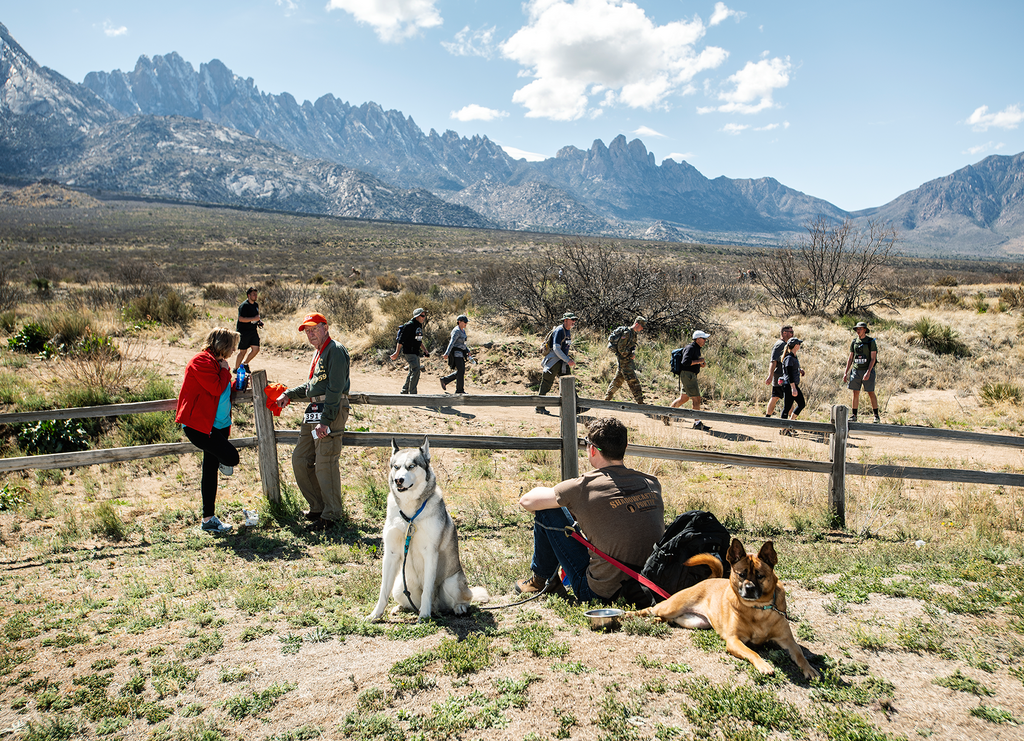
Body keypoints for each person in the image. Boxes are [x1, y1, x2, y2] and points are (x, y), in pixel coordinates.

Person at [515, 417, 664, 603]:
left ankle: (541, 581)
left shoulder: (583, 487)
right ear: (625, 447)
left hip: (600, 592)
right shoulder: (651, 482)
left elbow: (527, 501)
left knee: (548, 510)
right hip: (647, 583)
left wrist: (562, 495)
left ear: (592, 449)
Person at [275, 312, 351, 532]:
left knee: (325, 463)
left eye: (314, 329)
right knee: (301, 459)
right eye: (307, 331)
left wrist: (326, 421)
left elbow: (335, 389)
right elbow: (312, 387)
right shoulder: (320, 352)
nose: (310, 334)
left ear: (325, 327)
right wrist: (289, 394)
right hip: (314, 410)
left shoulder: (335, 350)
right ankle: (318, 507)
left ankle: (332, 515)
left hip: (329, 410)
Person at [176, 328, 241, 534]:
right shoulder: (201, 361)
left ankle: (208, 519)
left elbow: (221, 388)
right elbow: (214, 387)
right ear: (223, 345)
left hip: (219, 425)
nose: (234, 350)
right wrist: (225, 370)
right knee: (231, 458)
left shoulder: (216, 364)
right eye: (232, 346)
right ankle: (223, 461)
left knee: (210, 470)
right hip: (201, 426)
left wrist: (235, 383)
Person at [536, 311, 579, 415]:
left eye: (574, 320)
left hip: (562, 362)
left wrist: (566, 360)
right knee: (546, 384)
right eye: (572, 320)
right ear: (565, 320)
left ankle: (576, 407)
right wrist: (568, 360)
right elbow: (556, 348)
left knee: (569, 383)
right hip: (554, 362)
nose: (574, 322)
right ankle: (539, 407)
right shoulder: (560, 330)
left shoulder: (567, 331)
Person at [670, 330, 710, 430]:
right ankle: (697, 423)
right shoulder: (690, 347)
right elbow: (685, 362)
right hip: (688, 376)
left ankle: (666, 414)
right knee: (696, 399)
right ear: (698, 339)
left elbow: (691, 362)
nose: (705, 340)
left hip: (688, 375)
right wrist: (699, 361)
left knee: (684, 398)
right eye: (703, 338)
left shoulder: (695, 348)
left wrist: (700, 363)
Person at [604, 316, 647, 405]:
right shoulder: (627, 333)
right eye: (641, 326)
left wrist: (633, 352)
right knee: (634, 382)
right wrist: (630, 354)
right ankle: (640, 403)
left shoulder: (634, 334)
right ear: (637, 324)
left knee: (618, 380)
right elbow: (621, 348)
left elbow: (632, 346)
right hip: (624, 361)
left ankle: (606, 399)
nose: (642, 328)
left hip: (626, 361)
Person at [843, 321, 880, 423]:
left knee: (871, 392)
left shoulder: (871, 341)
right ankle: (854, 415)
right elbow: (850, 358)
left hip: (867, 370)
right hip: (856, 370)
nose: (858, 331)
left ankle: (876, 415)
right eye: (857, 329)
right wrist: (846, 372)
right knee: (855, 392)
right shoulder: (854, 342)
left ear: (865, 330)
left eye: (860, 329)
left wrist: (868, 372)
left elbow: (873, 358)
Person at [390, 308, 429, 394]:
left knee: (412, 371)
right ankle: (413, 394)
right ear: (416, 316)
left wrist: (425, 350)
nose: (424, 317)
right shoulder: (409, 325)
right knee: (416, 370)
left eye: (424, 315)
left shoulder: (419, 325)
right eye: (422, 316)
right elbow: (401, 340)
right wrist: (397, 352)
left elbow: (419, 340)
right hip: (409, 352)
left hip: (415, 352)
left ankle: (405, 390)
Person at [764, 325, 794, 417]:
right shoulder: (780, 345)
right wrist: (770, 376)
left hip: (782, 376)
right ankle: (792, 421)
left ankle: (767, 418)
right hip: (781, 376)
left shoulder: (785, 344)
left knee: (775, 397)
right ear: (784, 333)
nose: (792, 334)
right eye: (791, 332)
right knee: (787, 398)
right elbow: (773, 361)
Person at [779, 338, 806, 433]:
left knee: (801, 404)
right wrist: (793, 388)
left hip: (792, 385)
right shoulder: (789, 358)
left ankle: (790, 424)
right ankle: (783, 429)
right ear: (795, 345)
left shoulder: (793, 357)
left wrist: (799, 370)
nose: (800, 345)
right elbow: (788, 373)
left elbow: (792, 369)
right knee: (787, 407)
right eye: (799, 344)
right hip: (789, 385)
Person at [440, 314, 471, 394]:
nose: (466, 323)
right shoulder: (456, 330)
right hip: (456, 354)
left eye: (466, 322)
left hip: (461, 353)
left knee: (461, 371)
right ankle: (459, 390)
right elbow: (452, 342)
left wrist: (468, 350)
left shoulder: (463, 331)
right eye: (465, 322)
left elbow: (463, 343)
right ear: (459, 322)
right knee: (461, 370)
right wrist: (447, 353)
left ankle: (445, 380)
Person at [233, 287, 263, 372]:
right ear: (248, 295)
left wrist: (259, 321)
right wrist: (254, 318)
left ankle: (245, 363)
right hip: (244, 331)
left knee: (256, 349)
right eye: (253, 294)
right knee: (243, 351)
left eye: (256, 294)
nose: (255, 296)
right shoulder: (244, 306)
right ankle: (236, 369)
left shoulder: (256, 305)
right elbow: (241, 319)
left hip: (253, 331)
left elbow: (256, 317)